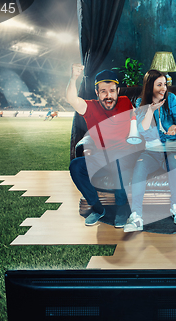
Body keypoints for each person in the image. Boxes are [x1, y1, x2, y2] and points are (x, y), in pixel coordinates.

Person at [67, 64, 137, 228]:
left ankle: (122, 210)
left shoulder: (125, 102)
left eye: (112, 91)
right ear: (97, 93)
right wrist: (73, 78)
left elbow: (134, 117)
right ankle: (98, 209)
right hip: (102, 157)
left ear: (118, 92)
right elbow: (71, 99)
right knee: (76, 166)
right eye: (103, 91)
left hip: (124, 156)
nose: (108, 95)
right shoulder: (90, 107)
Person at [124, 70, 176, 232]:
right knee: (139, 168)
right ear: (149, 85)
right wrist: (150, 111)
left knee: (174, 163)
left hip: (171, 147)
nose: (163, 88)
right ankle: (136, 216)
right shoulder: (141, 103)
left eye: (165, 84)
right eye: (159, 85)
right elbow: (142, 129)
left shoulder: (171, 99)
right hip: (151, 150)